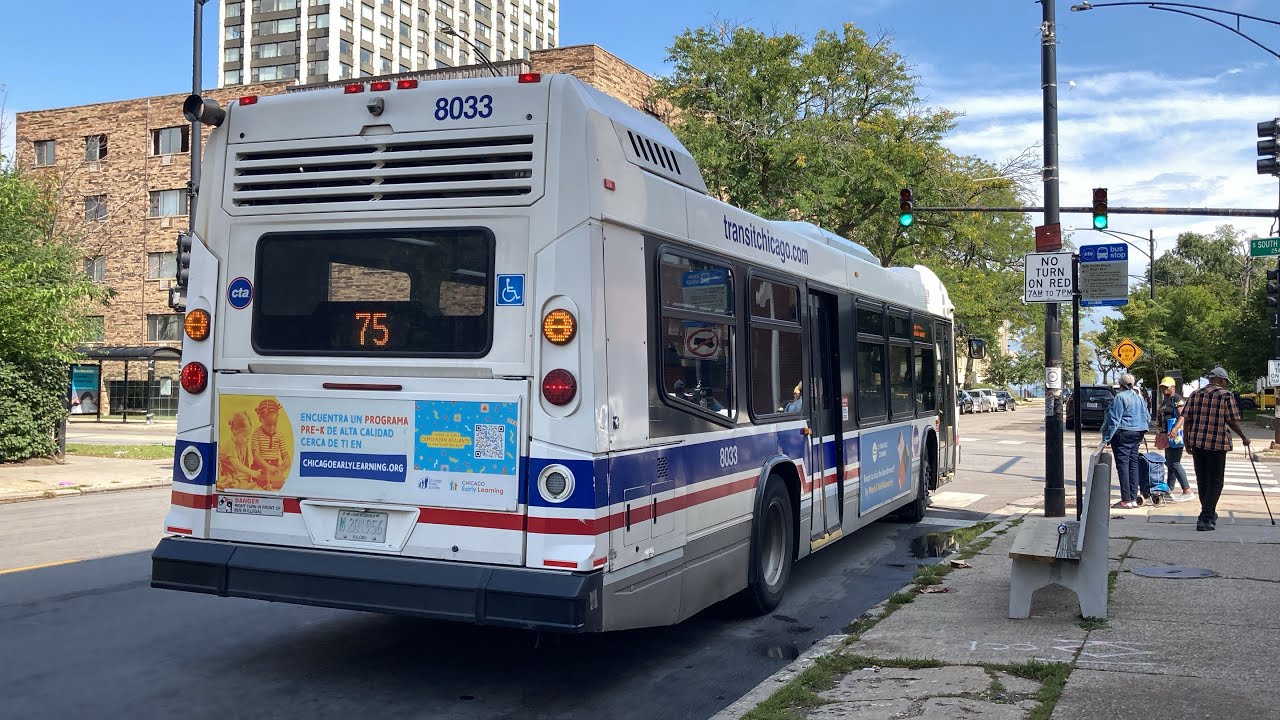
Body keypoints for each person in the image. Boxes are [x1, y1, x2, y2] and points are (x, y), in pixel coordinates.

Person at [1182, 367, 1250, 531]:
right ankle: (1205, 518)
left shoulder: (1195, 394)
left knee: (1203, 480)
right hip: (1217, 443)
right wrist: (1243, 437)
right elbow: (1232, 420)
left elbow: (1187, 420)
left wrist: (1187, 442)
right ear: (1221, 380)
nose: (1226, 384)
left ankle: (1209, 512)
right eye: (1226, 381)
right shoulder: (1226, 396)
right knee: (1216, 482)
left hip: (1198, 443)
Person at [1100, 373, 1150, 509]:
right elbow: (1148, 417)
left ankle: (1126, 499)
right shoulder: (1139, 398)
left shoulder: (1119, 397)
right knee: (1133, 465)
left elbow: (1114, 420)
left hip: (1123, 433)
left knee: (1123, 465)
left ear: (1120, 384)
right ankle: (1133, 498)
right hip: (1138, 432)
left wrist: (1106, 438)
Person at [1156, 377, 1191, 498]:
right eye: (1162, 387)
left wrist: (1175, 428)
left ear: (1173, 387)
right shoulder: (1166, 400)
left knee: (1174, 463)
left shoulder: (1177, 398)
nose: (1163, 389)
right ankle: (1169, 488)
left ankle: (1187, 490)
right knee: (1169, 462)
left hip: (1175, 435)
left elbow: (1183, 415)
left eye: (1166, 387)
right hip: (1167, 435)